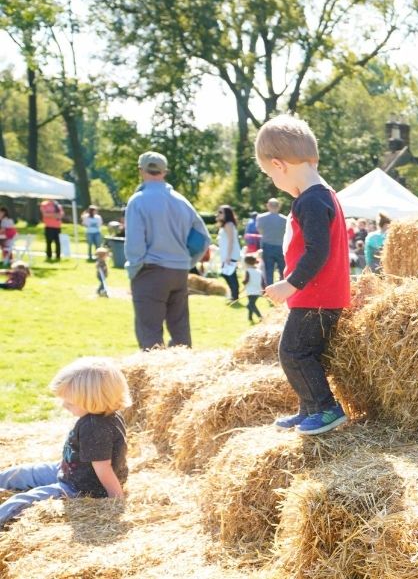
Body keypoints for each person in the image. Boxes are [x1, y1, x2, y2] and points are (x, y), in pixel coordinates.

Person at [255, 114, 352, 436]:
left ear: (279, 164)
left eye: (270, 174)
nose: (274, 182)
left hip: (315, 295)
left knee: (293, 352)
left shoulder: (310, 200)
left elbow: (316, 251)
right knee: (306, 353)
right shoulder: (324, 194)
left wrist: (290, 283)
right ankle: (309, 407)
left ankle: (326, 408)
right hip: (323, 294)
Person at [0, 358, 129, 527]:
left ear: (91, 401)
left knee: (22, 500)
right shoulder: (102, 414)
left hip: (82, 487)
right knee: (20, 473)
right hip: (69, 469)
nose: (63, 405)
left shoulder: (95, 428)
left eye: (69, 402)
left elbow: (103, 468)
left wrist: (115, 501)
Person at [124, 151, 210, 350]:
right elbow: (203, 238)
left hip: (150, 270)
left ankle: (153, 376)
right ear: (165, 172)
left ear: (141, 170)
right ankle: (181, 375)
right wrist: (187, 262)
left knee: (150, 331)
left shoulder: (138, 201)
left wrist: (134, 269)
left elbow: (135, 243)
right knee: (180, 330)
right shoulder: (182, 201)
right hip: (179, 271)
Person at [257, 198, 288, 287]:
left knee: (268, 270)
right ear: (279, 206)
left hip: (267, 245)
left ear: (268, 206)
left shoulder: (261, 218)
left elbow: (260, 231)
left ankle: (269, 289)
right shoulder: (285, 219)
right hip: (281, 246)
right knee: (282, 269)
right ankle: (282, 288)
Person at [216, 205, 243, 303]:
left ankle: (235, 296)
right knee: (227, 274)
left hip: (230, 255)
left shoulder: (229, 224)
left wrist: (228, 256)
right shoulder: (225, 224)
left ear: (226, 214)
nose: (218, 214)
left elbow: (231, 241)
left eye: (220, 212)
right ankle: (234, 295)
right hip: (227, 254)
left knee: (230, 275)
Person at [243, 254, 264, 324]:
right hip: (258, 290)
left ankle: (261, 317)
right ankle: (250, 318)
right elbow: (262, 282)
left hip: (251, 291)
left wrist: (243, 282)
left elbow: (246, 280)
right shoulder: (259, 271)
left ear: (246, 263)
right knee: (252, 304)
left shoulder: (248, 271)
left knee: (250, 305)